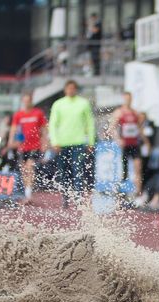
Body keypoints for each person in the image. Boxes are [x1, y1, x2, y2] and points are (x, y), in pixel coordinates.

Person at [49, 80, 96, 208]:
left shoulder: (83, 103)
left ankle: (79, 198)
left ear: (76, 89)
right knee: (63, 172)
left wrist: (91, 141)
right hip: (62, 143)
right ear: (65, 90)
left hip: (79, 143)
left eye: (73, 88)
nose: (70, 90)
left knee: (78, 170)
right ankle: (65, 198)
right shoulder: (58, 104)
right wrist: (54, 141)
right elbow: (53, 124)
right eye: (68, 88)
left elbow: (90, 123)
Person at [8, 93, 48, 204]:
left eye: (28, 100)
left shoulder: (38, 113)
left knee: (30, 168)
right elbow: (13, 129)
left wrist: (45, 142)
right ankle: (27, 193)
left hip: (35, 146)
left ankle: (28, 195)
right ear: (22, 101)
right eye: (24, 101)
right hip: (22, 146)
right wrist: (10, 141)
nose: (26, 103)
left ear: (31, 101)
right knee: (24, 170)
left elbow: (44, 129)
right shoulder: (18, 115)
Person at [109, 92, 143, 198]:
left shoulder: (135, 113)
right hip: (124, 145)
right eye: (126, 98)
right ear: (123, 99)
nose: (128, 101)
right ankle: (119, 192)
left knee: (138, 167)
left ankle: (138, 193)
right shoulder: (119, 112)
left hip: (135, 144)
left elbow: (139, 128)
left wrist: (146, 142)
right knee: (124, 171)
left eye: (129, 98)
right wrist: (118, 139)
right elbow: (112, 128)